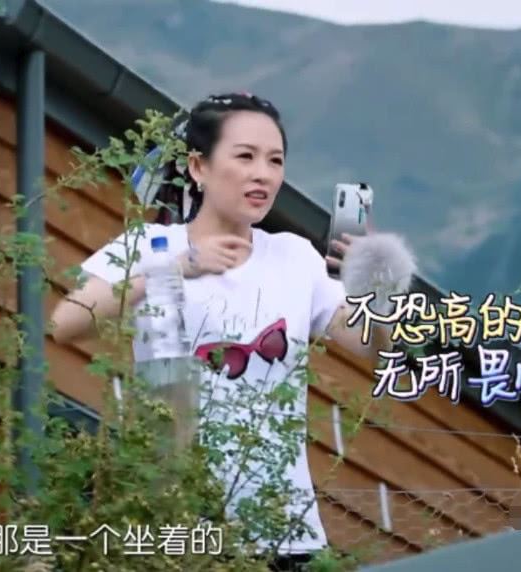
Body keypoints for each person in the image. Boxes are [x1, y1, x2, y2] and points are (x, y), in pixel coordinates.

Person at [50, 92, 415, 570]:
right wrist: (176, 268)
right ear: (198, 167)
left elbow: (371, 347)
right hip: (184, 525)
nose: (262, 173)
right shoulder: (153, 245)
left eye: (275, 160)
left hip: (287, 529)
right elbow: (65, 323)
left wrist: (378, 286)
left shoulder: (294, 256)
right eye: (245, 156)